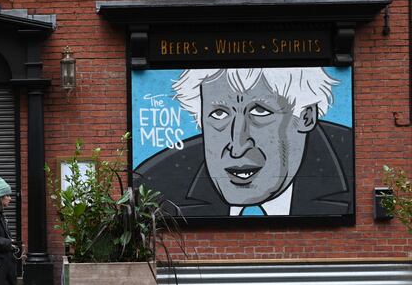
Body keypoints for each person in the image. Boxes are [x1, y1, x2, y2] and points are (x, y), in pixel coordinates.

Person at [136, 67, 353, 216]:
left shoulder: (353, 164)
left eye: (260, 111)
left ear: (306, 117)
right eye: (219, 114)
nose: (237, 146)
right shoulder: (152, 183)